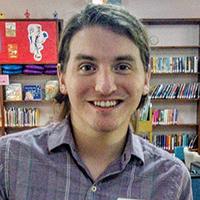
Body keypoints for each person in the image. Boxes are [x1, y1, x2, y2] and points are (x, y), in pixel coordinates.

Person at [0, 3, 192, 200]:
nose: (104, 87)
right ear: (62, 78)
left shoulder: (171, 180)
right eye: (87, 67)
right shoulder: (8, 162)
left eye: (123, 66)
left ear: (146, 78)